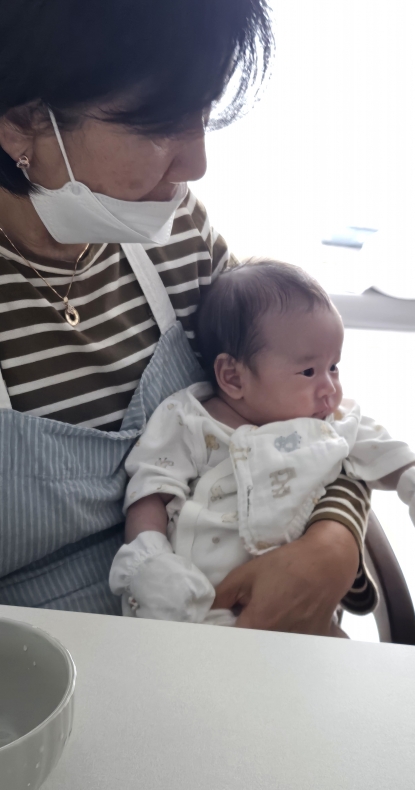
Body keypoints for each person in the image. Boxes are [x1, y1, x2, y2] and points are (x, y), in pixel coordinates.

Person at [0, 0, 370, 634]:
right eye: (159, 127)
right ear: (21, 122)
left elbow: (308, 393)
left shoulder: (174, 227)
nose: (196, 164)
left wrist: (333, 540)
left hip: (234, 612)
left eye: (203, 114)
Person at [109, 260, 415, 630]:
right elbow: (149, 492)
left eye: (334, 366)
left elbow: (391, 455)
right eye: (309, 371)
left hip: (300, 609)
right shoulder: (189, 419)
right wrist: (151, 561)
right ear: (233, 377)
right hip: (194, 607)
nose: (329, 388)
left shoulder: (329, 423)